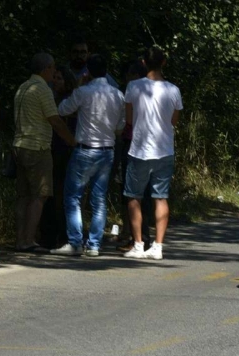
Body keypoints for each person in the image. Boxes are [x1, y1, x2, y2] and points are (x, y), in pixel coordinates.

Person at [50, 54, 125, 257]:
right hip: (107, 151)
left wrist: (78, 87)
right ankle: (94, 244)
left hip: (84, 149)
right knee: (98, 199)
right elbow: (119, 127)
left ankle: (75, 242)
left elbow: (62, 109)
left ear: (87, 72)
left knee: (73, 197)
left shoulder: (83, 92)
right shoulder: (118, 95)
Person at [123, 47, 183, 260]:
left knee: (134, 197)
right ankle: (158, 246)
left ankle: (138, 244)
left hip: (139, 149)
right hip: (165, 149)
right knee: (160, 197)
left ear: (143, 62)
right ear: (164, 62)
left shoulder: (133, 86)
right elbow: (174, 121)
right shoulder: (174, 90)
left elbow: (129, 119)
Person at [13, 52, 76, 253]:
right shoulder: (43, 90)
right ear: (46, 69)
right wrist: (72, 141)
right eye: (53, 68)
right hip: (37, 147)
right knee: (40, 195)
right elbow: (55, 120)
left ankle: (20, 238)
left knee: (23, 196)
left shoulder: (24, 87)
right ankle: (29, 240)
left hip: (19, 145)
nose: (55, 72)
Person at [39, 65, 79, 249]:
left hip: (64, 151)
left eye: (59, 78)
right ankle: (48, 234)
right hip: (50, 148)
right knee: (49, 193)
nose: (55, 81)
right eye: (53, 77)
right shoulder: (48, 97)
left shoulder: (71, 101)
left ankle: (63, 235)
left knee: (62, 194)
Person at [117, 60, 152, 251]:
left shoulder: (133, 90)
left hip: (134, 145)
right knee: (144, 194)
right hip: (151, 146)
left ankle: (138, 238)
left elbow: (127, 121)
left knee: (132, 194)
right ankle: (140, 236)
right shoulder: (154, 92)